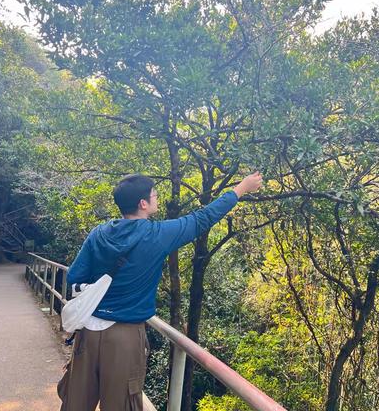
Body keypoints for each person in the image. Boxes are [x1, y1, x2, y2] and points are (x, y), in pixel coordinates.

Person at [58, 171, 263, 411]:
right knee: (121, 404)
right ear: (143, 204)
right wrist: (241, 188)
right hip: (125, 336)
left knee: (75, 404)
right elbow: (202, 219)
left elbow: (74, 278)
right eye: (154, 194)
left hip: (88, 333)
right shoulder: (158, 235)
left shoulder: (98, 234)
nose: (157, 198)